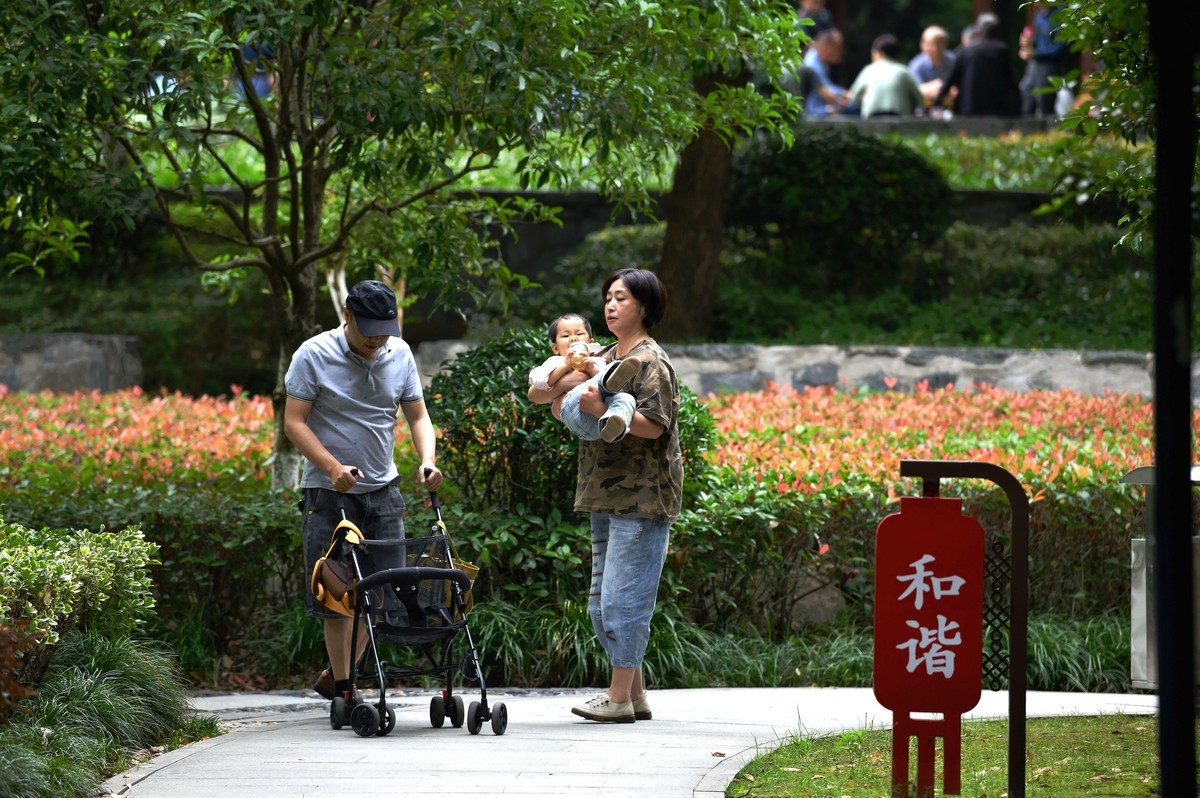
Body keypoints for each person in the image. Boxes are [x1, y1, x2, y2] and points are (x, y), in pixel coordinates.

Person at [528, 268, 682, 724]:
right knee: (601, 602)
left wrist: (598, 406)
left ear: (645, 306)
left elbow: (654, 425)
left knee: (622, 600)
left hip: (643, 496)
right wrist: (563, 390)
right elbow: (542, 392)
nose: (611, 306)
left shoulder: (651, 361)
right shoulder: (604, 354)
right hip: (603, 493)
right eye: (608, 298)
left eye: (622, 299)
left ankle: (616, 698)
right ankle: (633, 695)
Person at [284, 279, 443, 703]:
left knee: (382, 595)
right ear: (347, 316)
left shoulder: (399, 352)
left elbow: (418, 416)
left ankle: (339, 677)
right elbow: (294, 422)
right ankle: (345, 690)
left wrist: (427, 459)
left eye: (385, 328)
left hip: (384, 491)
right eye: (369, 328)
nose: (378, 338)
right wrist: (332, 467)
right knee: (337, 595)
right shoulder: (313, 354)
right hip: (329, 494)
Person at [528, 312, 643, 443]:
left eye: (579, 334)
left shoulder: (596, 360)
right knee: (604, 376)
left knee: (625, 398)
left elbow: (600, 378)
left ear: (590, 343)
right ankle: (609, 377)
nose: (573, 339)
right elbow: (539, 381)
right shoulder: (556, 362)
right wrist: (566, 367)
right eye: (566, 335)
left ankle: (615, 423)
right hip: (576, 413)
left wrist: (591, 368)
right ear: (555, 348)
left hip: (599, 423)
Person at [934, 13, 1021, 117]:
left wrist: (937, 102)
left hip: (968, 111)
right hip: (996, 111)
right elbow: (1012, 83)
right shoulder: (1002, 51)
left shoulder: (965, 52)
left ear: (977, 30)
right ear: (997, 31)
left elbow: (949, 81)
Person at [848, 34, 924, 118]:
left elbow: (854, 97)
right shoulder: (903, 71)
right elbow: (919, 98)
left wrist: (864, 100)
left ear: (879, 53)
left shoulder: (868, 70)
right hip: (899, 119)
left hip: (871, 118)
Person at [1018, 2, 1070, 118]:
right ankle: (1026, 129)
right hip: (1035, 62)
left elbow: (1060, 46)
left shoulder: (1059, 15)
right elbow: (1037, 40)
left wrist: (1036, 53)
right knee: (1025, 89)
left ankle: (1048, 131)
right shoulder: (1039, 14)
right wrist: (1027, 43)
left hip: (1050, 64)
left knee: (1044, 98)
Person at [802, 28, 853, 117]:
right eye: (839, 48)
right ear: (827, 49)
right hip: (813, 111)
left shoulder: (817, 60)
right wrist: (846, 95)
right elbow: (825, 92)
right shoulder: (813, 62)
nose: (841, 52)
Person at [907, 25, 956, 110]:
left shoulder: (953, 60)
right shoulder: (916, 64)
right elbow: (916, 90)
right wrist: (941, 86)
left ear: (944, 44)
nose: (927, 47)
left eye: (932, 44)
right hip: (924, 109)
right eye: (925, 43)